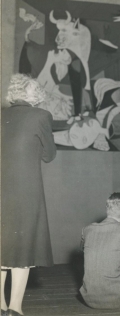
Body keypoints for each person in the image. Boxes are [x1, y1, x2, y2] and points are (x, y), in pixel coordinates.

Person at [1, 74, 57, 316]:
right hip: (25, 190)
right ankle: (15, 308)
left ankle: (1, 307)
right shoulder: (41, 116)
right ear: (34, 95)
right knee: (23, 249)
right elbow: (49, 155)